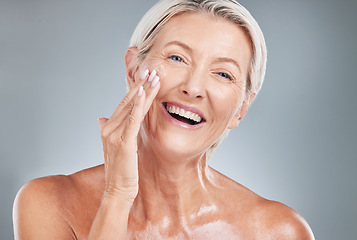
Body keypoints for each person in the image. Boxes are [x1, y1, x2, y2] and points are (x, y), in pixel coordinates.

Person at [13, 0, 315, 239]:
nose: (193, 88)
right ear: (134, 71)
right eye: (176, 58)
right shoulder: (48, 205)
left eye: (223, 74)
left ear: (240, 110)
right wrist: (118, 195)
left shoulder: (279, 232)